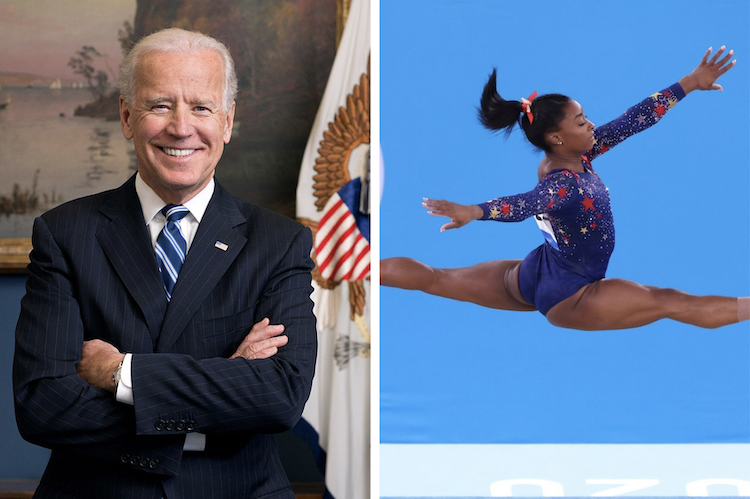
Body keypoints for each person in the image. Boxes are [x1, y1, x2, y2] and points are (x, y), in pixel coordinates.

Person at [13, 28, 317, 499]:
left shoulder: (279, 243)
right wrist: (218, 396)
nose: (181, 127)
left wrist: (122, 374)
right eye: (160, 105)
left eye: (201, 107)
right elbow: (43, 404)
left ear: (228, 121)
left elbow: (278, 397)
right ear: (127, 115)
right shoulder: (65, 233)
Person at [381, 46, 749, 330]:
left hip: (534, 273)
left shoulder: (579, 156)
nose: (591, 126)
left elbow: (632, 121)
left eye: (586, 117)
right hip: (573, 294)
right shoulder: (564, 183)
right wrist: (475, 211)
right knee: (673, 302)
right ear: (557, 137)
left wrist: (687, 83)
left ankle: (355, 267)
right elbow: (525, 204)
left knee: (435, 278)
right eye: (580, 121)